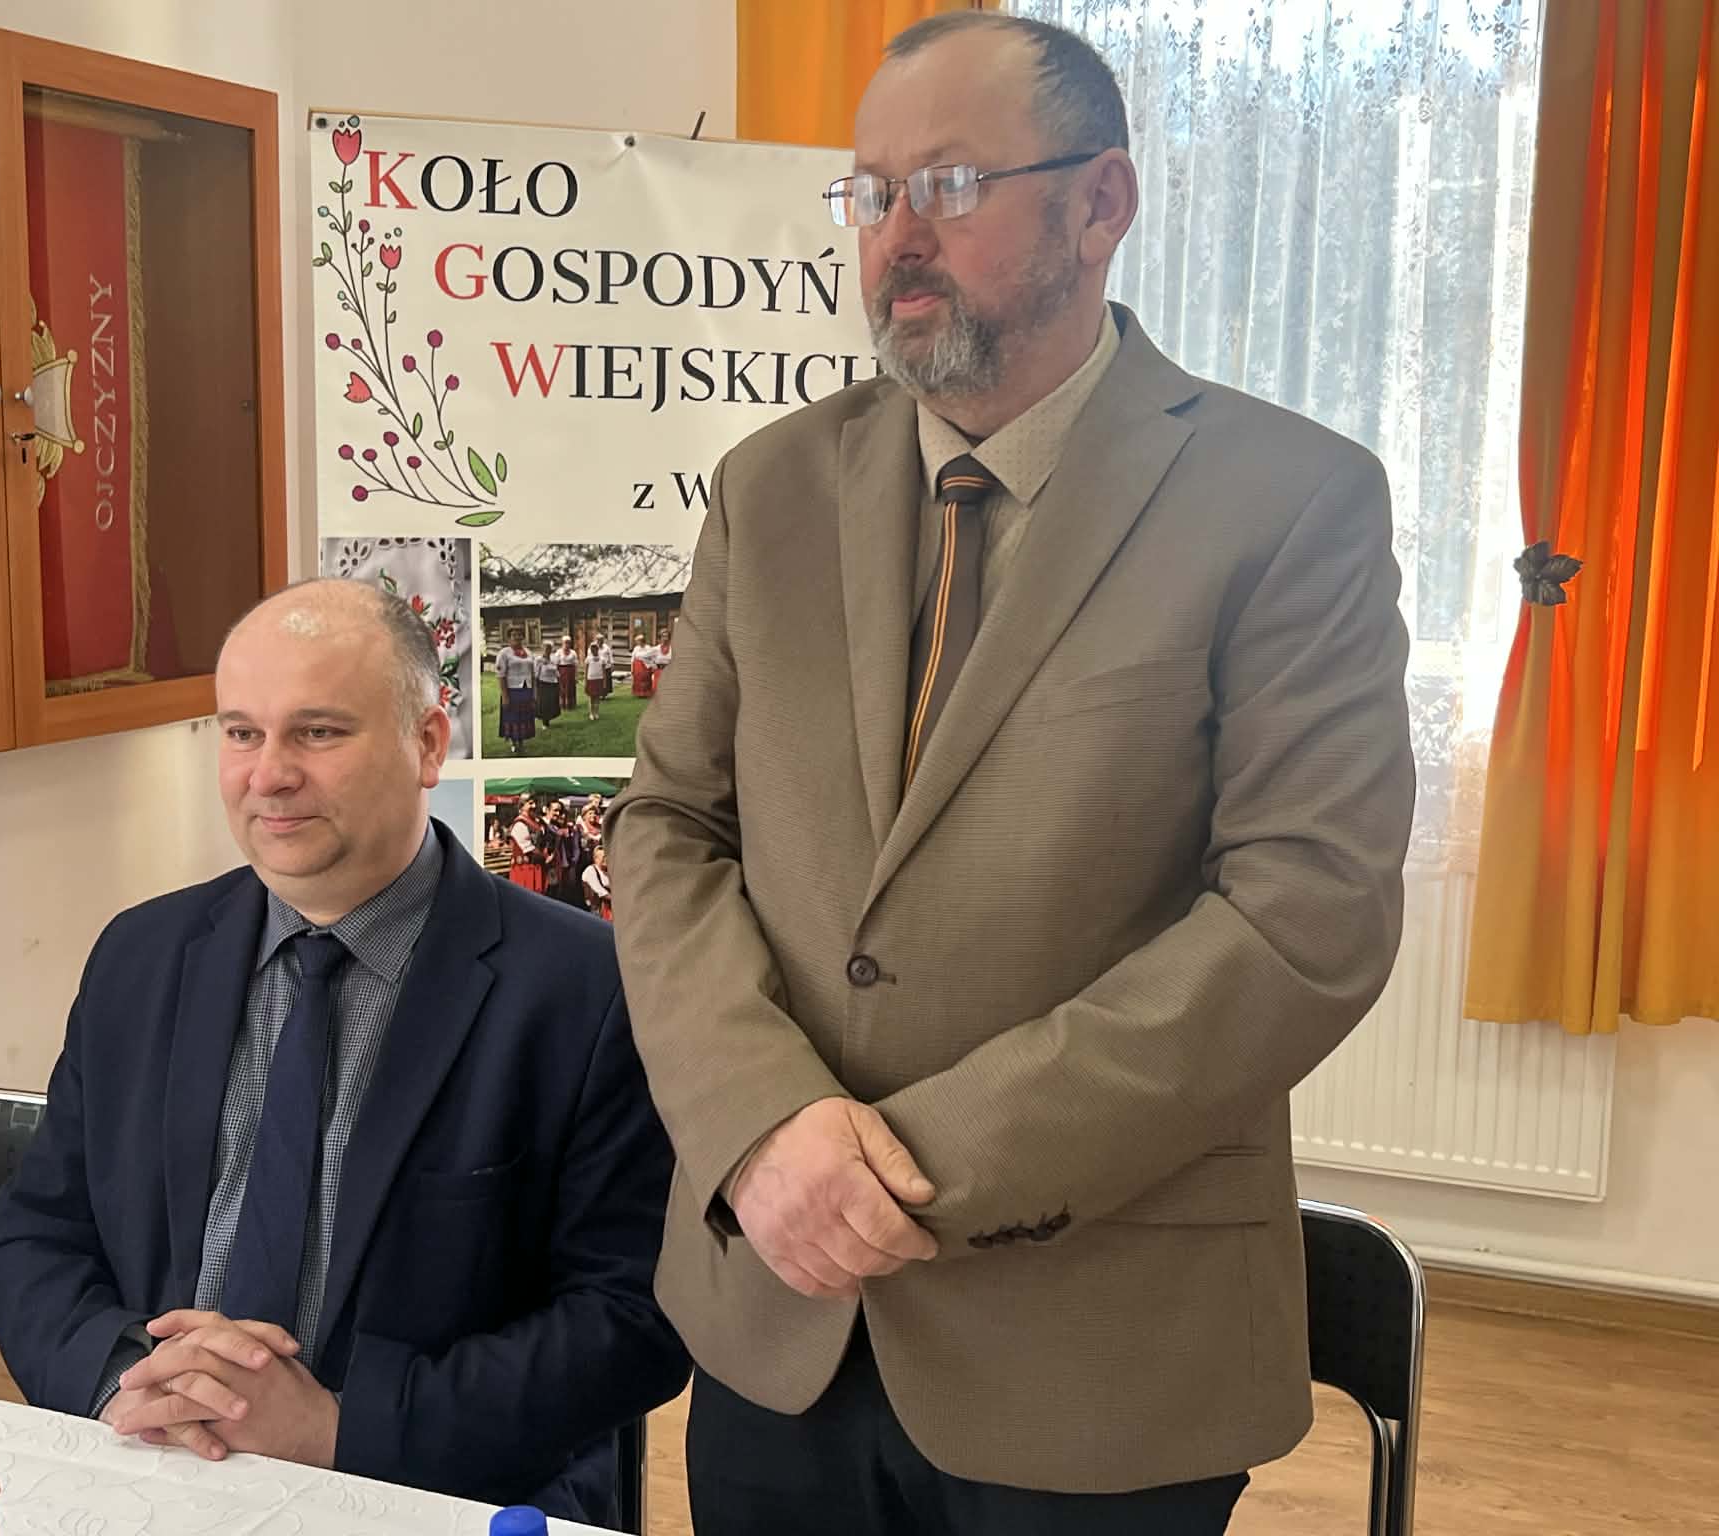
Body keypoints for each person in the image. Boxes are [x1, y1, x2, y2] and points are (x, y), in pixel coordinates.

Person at [605, 14, 1414, 1536]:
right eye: (869, 194)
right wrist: (763, 1123)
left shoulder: (1288, 501)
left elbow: (1303, 918)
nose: (896, 237)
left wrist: (904, 1166)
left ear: (1101, 203)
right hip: (774, 1316)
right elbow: (668, 828)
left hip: (1095, 1356)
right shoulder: (770, 487)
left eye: (951, 185)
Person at [0, 580, 688, 1527]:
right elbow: (36, 1235)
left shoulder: (584, 990)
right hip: (155, 1469)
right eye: (242, 733)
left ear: (428, 745)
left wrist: (341, 1431)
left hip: (433, 1491)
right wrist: (123, 1379)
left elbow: (631, 1317)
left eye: (317, 732)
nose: (269, 774)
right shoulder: (139, 958)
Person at [494, 632, 536, 755]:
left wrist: (534, 693)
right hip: (512, 690)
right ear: (509, 638)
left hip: (526, 689)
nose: (517, 637)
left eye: (519, 635)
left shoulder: (528, 652)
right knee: (513, 717)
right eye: (514, 635)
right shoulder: (504, 653)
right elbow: (501, 675)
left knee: (524, 716)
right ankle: (513, 742)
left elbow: (533, 674)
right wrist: (505, 696)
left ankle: (521, 742)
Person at [506, 799, 546, 894]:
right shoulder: (520, 824)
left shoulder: (534, 822)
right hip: (524, 869)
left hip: (535, 866)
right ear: (522, 806)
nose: (534, 806)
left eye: (535, 803)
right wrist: (545, 856)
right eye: (530, 803)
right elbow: (528, 848)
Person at [535, 641, 563, 727]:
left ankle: (549, 719)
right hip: (543, 683)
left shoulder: (553, 659)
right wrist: (536, 686)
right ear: (542, 648)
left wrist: (559, 682)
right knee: (544, 703)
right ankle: (545, 722)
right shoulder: (539, 659)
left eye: (549, 648)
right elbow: (536, 673)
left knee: (552, 703)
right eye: (546, 648)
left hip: (553, 683)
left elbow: (556, 671)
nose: (547, 650)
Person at [581, 848, 613, 923]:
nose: (606, 859)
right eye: (603, 857)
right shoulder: (590, 870)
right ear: (596, 859)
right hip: (596, 911)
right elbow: (601, 892)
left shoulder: (607, 871)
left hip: (609, 910)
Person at [584, 641, 610, 721]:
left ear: (597, 649)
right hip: (591, 679)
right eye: (592, 649)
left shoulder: (602, 659)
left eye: (595, 648)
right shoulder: (588, 659)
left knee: (597, 698)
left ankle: (596, 712)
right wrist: (586, 682)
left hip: (599, 679)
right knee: (591, 698)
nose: (593, 650)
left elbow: (604, 672)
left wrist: (604, 682)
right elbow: (586, 671)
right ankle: (591, 713)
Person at [556, 636, 580, 711]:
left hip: (571, 672)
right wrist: (557, 674)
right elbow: (556, 664)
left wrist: (576, 675)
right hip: (562, 671)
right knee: (562, 688)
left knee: (570, 688)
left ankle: (570, 704)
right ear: (562, 643)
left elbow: (576, 664)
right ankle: (562, 704)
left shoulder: (573, 652)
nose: (567, 644)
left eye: (568, 643)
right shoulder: (559, 652)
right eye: (565, 642)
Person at [628, 633, 654, 699]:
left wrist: (651, 665)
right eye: (637, 641)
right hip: (637, 665)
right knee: (638, 679)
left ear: (642, 641)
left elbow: (651, 657)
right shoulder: (636, 648)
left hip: (646, 665)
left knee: (646, 679)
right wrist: (632, 668)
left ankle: (646, 692)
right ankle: (638, 693)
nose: (638, 643)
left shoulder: (648, 647)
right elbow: (633, 658)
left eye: (639, 641)